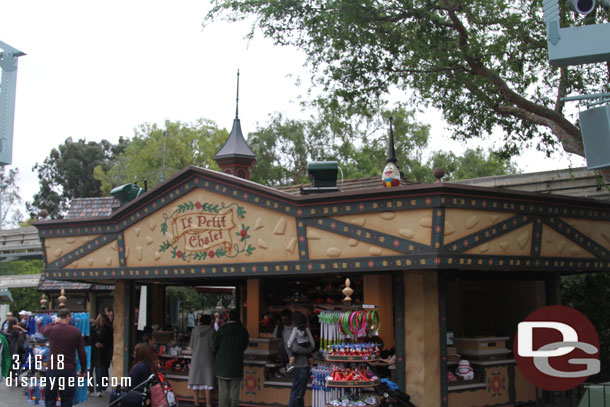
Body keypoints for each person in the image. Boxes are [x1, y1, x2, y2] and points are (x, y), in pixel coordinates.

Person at [41, 308, 87, 407]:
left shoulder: (52, 329)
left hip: (53, 369)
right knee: (67, 400)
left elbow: (42, 330)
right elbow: (82, 353)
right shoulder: (76, 331)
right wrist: (83, 369)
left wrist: (54, 323)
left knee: (50, 399)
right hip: (68, 369)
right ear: (68, 317)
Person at [213, 308, 249, 407]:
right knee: (234, 392)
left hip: (222, 365)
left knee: (223, 393)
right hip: (236, 365)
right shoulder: (242, 330)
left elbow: (214, 346)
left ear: (229, 317)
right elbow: (244, 346)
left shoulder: (222, 330)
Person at [110, 343, 157, 407]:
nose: (134, 352)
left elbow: (130, 385)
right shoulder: (149, 365)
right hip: (145, 395)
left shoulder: (139, 367)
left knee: (113, 394)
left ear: (139, 353)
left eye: (135, 351)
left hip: (137, 396)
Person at [286, 311, 315, 407]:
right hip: (299, 365)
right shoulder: (291, 331)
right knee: (298, 393)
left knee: (299, 393)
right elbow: (295, 348)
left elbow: (293, 347)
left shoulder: (294, 331)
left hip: (301, 365)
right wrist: (308, 350)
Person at [189, 314, 215, 407]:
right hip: (208, 358)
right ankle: (208, 404)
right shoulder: (212, 331)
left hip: (196, 358)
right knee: (207, 381)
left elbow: (191, 346)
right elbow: (213, 346)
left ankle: (196, 403)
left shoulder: (194, 330)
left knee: (195, 381)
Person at [91, 313, 113, 396]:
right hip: (94, 352)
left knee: (100, 371)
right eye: (102, 320)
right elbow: (90, 339)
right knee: (94, 371)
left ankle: (99, 388)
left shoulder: (108, 329)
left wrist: (104, 345)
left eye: (104, 320)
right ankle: (94, 388)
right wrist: (95, 343)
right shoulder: (93, 328)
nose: (103, 322)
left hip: (103, 352)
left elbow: (110, 341)